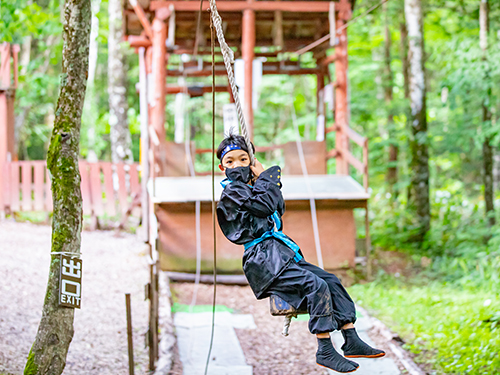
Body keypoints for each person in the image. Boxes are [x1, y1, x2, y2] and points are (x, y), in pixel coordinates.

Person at [216, 135, 385, 373]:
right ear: (223, 168)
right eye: (231, 161)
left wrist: (262, 181)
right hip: (263, 260)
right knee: (315, 285)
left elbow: (277, 207)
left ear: (252, 161)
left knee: (331, 281)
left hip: (279, 253)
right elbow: (263, 207)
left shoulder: (254, 188)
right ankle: (325, 348)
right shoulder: (233, 191)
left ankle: (350, 337)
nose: (238, 165)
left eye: (244, 159)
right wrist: (267, 177)